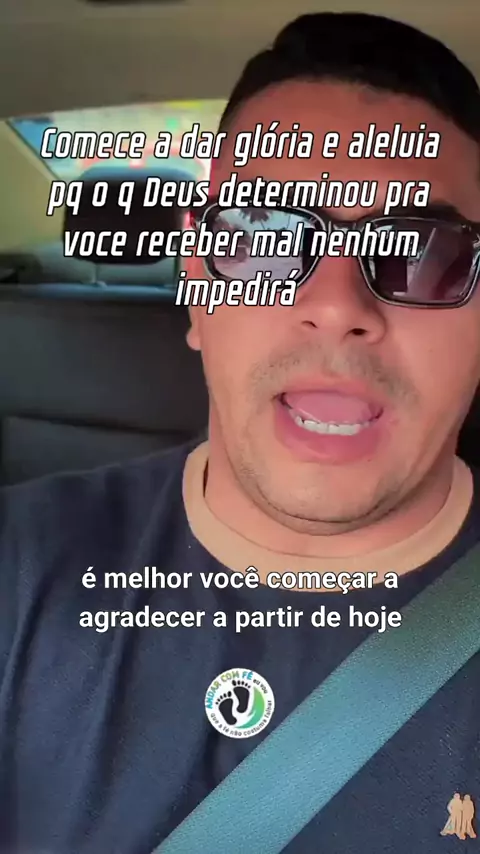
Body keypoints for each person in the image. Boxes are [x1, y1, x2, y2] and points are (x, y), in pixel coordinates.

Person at [1, 11, 480, 853]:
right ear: (197, 277)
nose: (334, 306)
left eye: (425, 251)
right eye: (265, 237)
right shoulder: (18, 565)